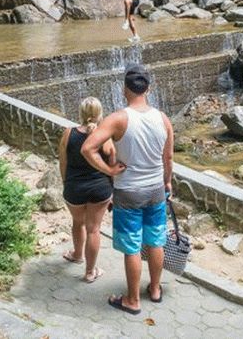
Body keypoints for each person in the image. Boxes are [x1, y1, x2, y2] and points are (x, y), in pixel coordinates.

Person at [81, 64, 174, 315]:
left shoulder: (118, 119)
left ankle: (133, 300)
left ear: (124, 90)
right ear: (149, 89)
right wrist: (168, 183)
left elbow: (87, 148)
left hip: (129, 192)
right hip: (155, 189)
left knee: (132, 247)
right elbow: (168, 159)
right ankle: (155, 289)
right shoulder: (163, 119)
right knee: (156, 242)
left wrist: (109, 171)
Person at [58, 97, 116, 283]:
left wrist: (67, 183)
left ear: (81, 114)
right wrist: (113, 189)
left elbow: (63, 163)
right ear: (100, 115)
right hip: (100, 189)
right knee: (94, 229)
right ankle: (90, 272)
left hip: (75, 188)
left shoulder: (69, 133)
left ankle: (77, 255)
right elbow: (112, 163)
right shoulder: (104, 137)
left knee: (78, 223)